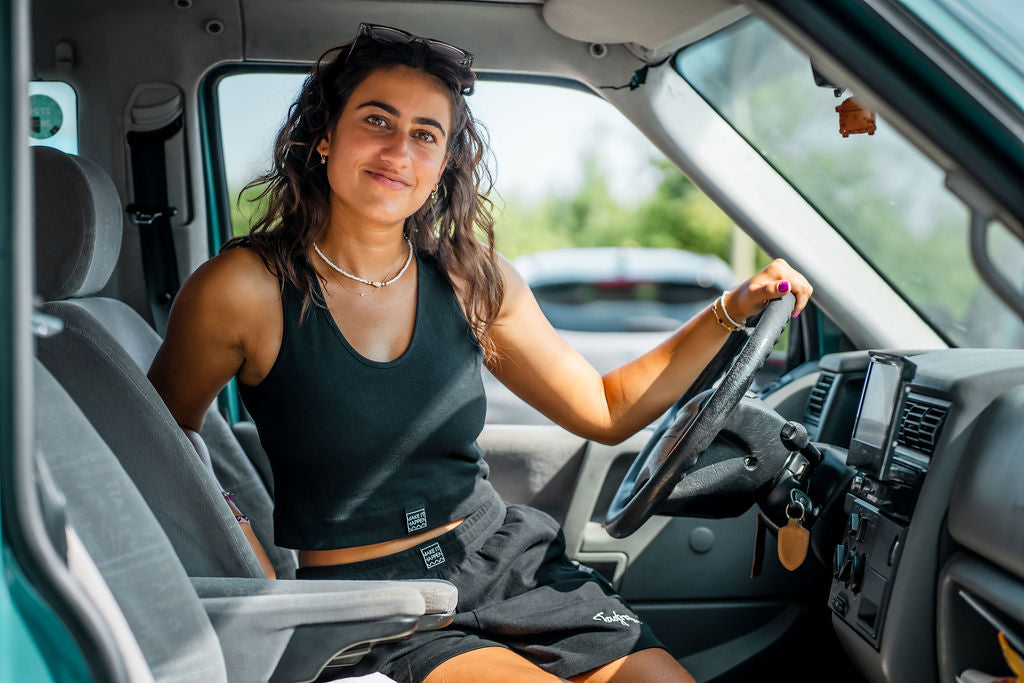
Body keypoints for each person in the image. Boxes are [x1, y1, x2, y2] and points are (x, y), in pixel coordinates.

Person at [148, 23, 812, 683]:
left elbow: (605, 407)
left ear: (442, 165)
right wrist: (243, 543)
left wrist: (732, 309)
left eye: (425, 134)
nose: (398, 149)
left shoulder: (470, 277)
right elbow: (157, 442)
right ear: (324, 135)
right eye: (376, 120)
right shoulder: (241, 289)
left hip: (509, 562)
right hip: (377, 604)